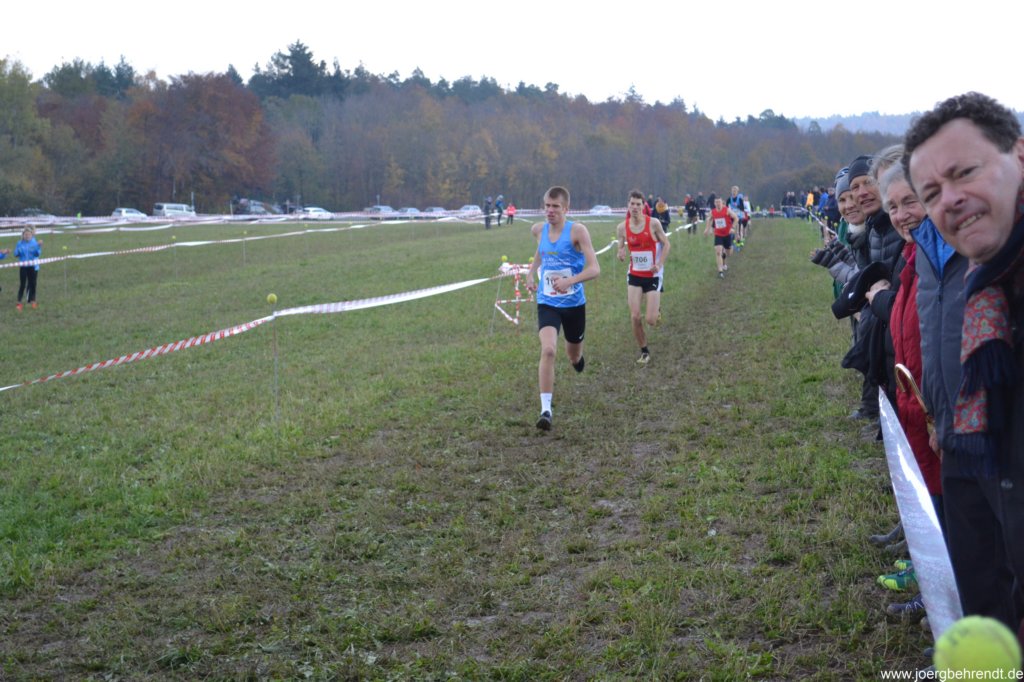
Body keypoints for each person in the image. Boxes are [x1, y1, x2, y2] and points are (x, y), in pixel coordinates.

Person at [904, 91, 1024, 640]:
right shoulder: (988, 290)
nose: (949, 200)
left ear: (1018, 154)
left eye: (965, 172)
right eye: (931, 192)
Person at [525, 186, 601, 431]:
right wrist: (530, 273)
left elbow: (595, 268)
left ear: (566, 209)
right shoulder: (538, 230)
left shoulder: (577, 231)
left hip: (574, 304)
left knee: (573, 355)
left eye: (555, 206)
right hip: (547, 302)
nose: (550, 210)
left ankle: (577, 359)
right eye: (547, 205)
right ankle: (546, 410)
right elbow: (541, 252)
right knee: (548, 350)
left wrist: (570, 281)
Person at [616, 190, 671, 365]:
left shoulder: (653, 223)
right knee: (635, 316)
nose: (635, 207)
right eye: (632, 204)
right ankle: (644, 351)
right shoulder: (622, 227)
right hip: (635, 274)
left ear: (643, 206)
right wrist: (621, 251)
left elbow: (666, 244)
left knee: (651, 320)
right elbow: (620, 244)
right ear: (628, 205)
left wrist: (659, 264)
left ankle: (657, 310)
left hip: (653, 275)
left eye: (638, 204)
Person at [703, 197, 739, 278]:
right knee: (718, 252)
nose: (718, 204)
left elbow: (736, 218)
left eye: (719, 202)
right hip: (718, 234)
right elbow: (709, 220)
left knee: (729, 253)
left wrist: (732, 228)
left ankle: (729, 248)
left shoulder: (727, 210)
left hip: (727, 234)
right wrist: (707, 229)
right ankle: (720, 271)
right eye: (716, 202)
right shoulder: (712, 212)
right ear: (714, 203)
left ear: (722, 203)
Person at [14, 227, 41, 310]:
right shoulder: (19, 243)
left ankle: (33, 301)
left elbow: (37, 254)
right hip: (23, 266)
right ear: (23, 235)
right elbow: (15, 254)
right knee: (22, 284)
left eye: (29, 234)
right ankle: (19, 302)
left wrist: (38, 247)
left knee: (32, 284)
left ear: (31, 235)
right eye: (26, 235)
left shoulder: (34, 243)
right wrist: (18, 251)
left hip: (31, 266)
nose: (27, 236)